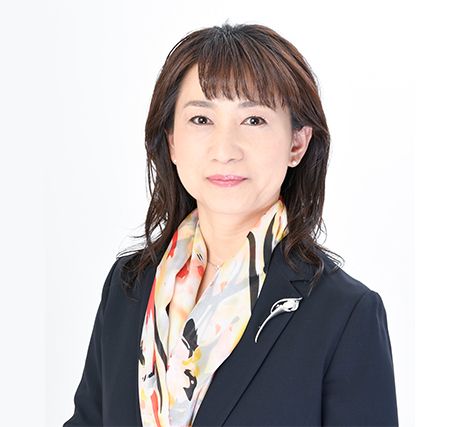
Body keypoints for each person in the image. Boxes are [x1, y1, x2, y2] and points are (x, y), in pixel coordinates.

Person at [63, 22, 399, 427]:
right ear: (171, 140)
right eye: (201, 119)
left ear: (297, 143)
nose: (224, 150)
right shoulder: (129, 286)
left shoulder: (344, 314)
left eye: (253, 120)